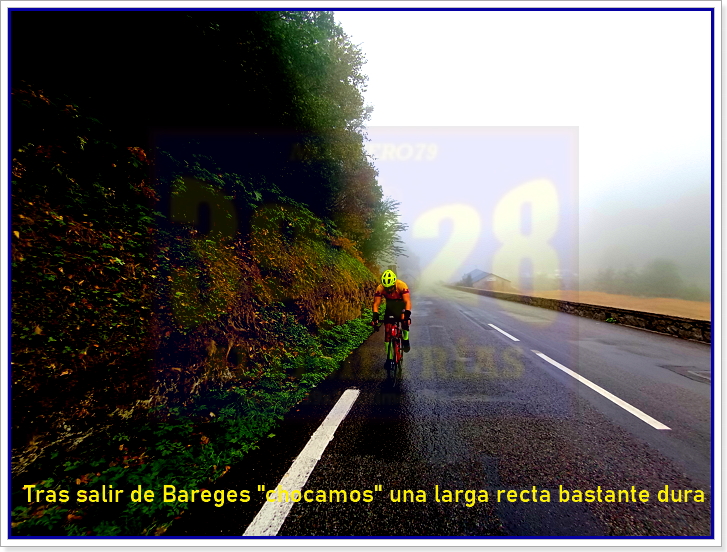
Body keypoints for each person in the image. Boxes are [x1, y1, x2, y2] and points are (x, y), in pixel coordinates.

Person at [372, 269, 411, 352]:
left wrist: (407, 314)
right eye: (387, 288)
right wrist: (375, 315)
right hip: (390, 305)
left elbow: (407, 301)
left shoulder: (402, 285)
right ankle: (389, 357)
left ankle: (406, 338)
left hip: (401, 304)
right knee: (387, 331)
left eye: (390, 288)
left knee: (404, 320)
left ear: (394, 283)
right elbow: (376, 303)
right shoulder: (380, 288)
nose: (389, 290)